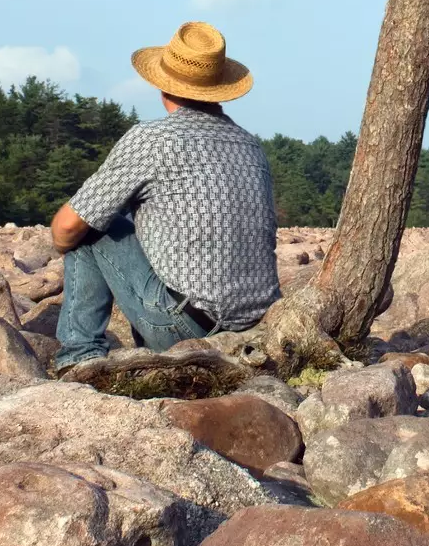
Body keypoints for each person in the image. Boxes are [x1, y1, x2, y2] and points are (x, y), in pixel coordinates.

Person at [47, 21, 279, 370]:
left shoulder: (154, 139)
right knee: (109, 216)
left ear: (162, 86)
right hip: (254, 329)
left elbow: (66, 227)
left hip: (185, 329)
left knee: (90, 223)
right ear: (218, 90)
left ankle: (79, 359)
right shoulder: (251, 144)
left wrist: (70, 243)